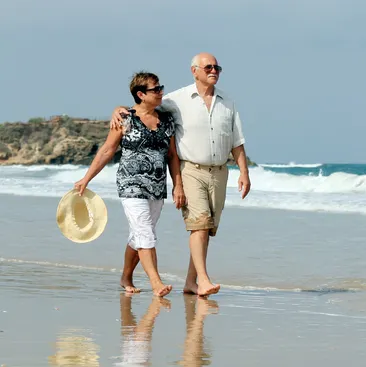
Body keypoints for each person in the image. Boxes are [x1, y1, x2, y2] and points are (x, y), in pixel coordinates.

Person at [110, 53, 251, 297]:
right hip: (190, 169)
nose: (214, 70)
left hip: (219, 171)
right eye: (208, 67)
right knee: (197, 225)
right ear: (194, 71)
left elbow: (236, 140)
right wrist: (118, 109)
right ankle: (200, 280)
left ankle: (191, 282)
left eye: (217, 67)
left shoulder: (227, 101)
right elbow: (141, 105)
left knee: (206, 228)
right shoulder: (175, 100)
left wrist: (244, 172)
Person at [75, 71, 186, 297]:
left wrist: (178, 185)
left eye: (160, 87)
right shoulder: (125, 118)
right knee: (145, 233)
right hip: (131, 185)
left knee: (140, 235)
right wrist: (86, 178)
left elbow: (172, 156)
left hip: (156, 186)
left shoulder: (167, 119)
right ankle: (156, 283)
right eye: (156, 89)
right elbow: (108, 150)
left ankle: (126, 277)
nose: (161, 92)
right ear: (141, 94)